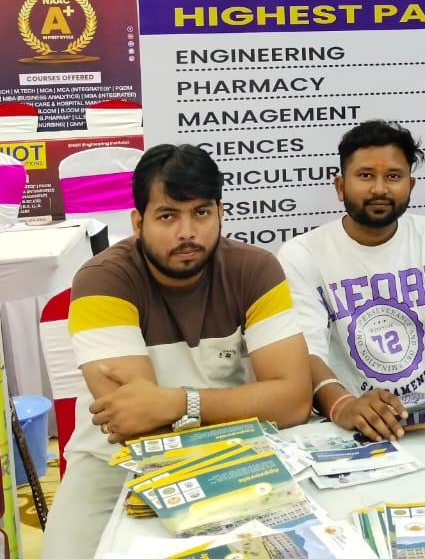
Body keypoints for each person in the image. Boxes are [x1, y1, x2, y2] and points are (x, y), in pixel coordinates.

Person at [41, 143, 312, 555]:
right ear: (138, 222)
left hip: (231, 453)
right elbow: (134, 422)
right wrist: (240, 403)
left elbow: (294, 402)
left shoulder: (256, 270)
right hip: (112, 465)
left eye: (201, 213)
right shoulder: (102, 279)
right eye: (167, 216)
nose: (187, 232)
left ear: (220, 214)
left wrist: (177, 403)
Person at [278, 120, 425, 442]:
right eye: (366, 176)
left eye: (393, 176)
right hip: (351, 424)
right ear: (340, 186)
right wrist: (344, 406)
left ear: (411, 185)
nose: (380, 189)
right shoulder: (301, 253)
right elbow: (307, 352)